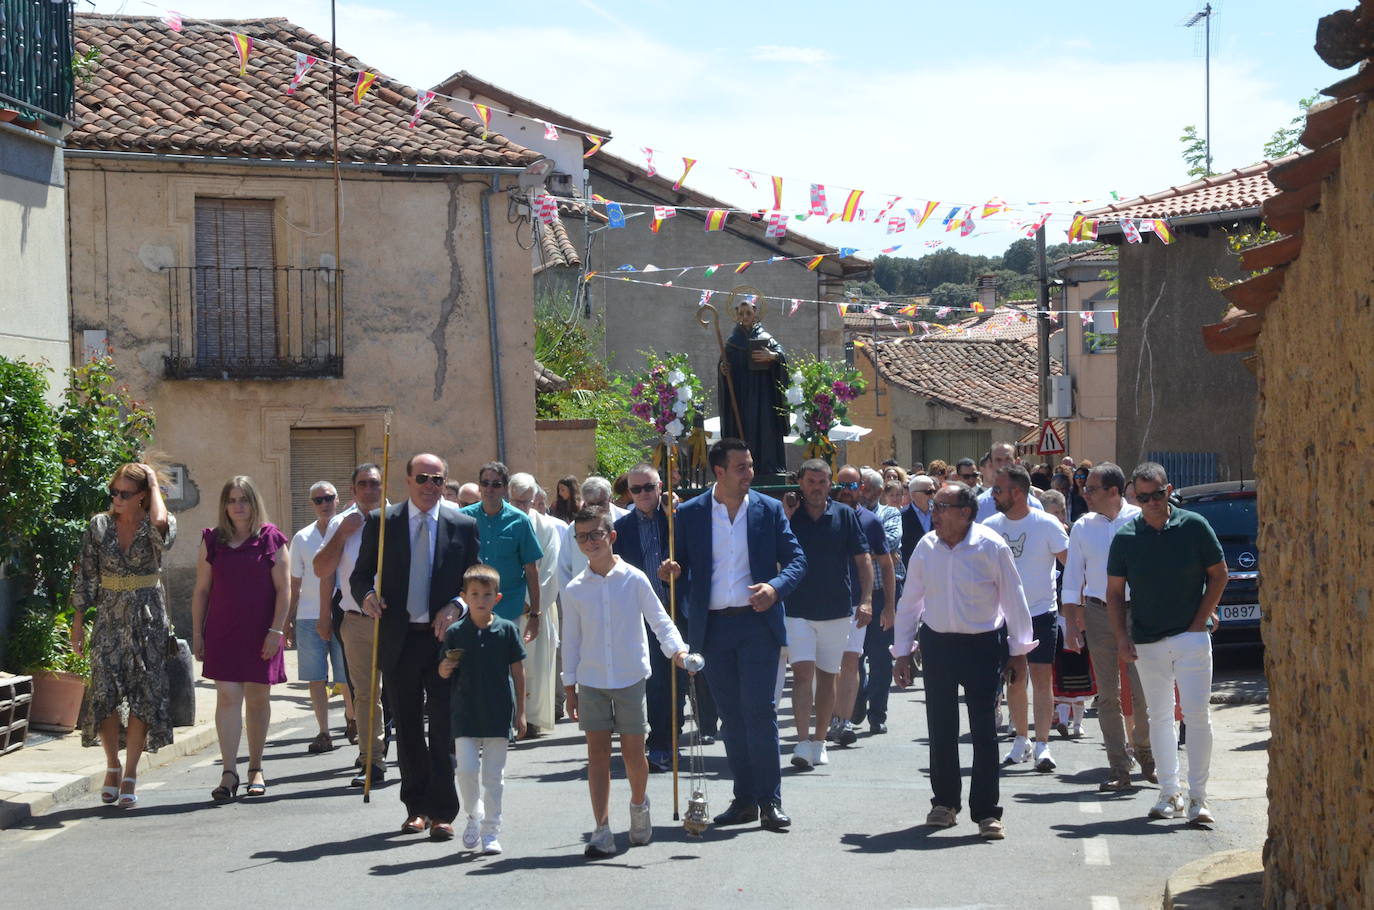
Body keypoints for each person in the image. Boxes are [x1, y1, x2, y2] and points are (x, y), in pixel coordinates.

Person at [659, 438, 806, 831]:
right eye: (741, 467)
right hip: (713, 628)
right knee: (730, 718)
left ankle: (770, 801)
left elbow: (796, 560)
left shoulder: (768, 509)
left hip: (758, 624)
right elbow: (680, 567)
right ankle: (743, 799)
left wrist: (775, 587)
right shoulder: (689, 514)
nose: (750, 474)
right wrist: (670, 572)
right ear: (719, 471)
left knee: (760, 711)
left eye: (751, 465)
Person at [892, 481, 1035, 840]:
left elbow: (1014, 599)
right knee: (941, 728)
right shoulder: (926, 547)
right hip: (938, 645)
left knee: (984, 730)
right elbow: (910, 602)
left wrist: (1019, 652)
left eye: (941, 506)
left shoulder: (991, 545)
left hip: (983, 646)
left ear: (965, 513)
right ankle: (944, 804)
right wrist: (902, 652)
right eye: (933, 506)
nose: (934, 513)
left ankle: (987, 812)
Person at [351, 453, 479, 841]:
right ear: (407, 480)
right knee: (406, 727)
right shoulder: (381, 522)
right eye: (423, 478)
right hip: (399, 638)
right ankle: (416, 808)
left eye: (437, 479)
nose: (430, 485)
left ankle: (443, 811)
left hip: (443, 640)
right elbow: (359, 576)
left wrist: (457, 606)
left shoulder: (463, 524)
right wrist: (367, 596)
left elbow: (474, 578)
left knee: (442, 727)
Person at [563, 508, 688, 857]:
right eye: (582, 537)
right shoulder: (574, 589)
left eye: (596, 535)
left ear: (611, 536)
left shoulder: (634, 579)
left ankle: (638, 806)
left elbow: (660, 621)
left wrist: (677, 652)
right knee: (597, 754)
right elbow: (571, 641)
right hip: (592, 680)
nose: (590, 543)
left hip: (631, 676)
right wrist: (569, 686)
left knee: (634, 753)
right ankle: (601, 827)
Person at [1108, 462, 1228, 824]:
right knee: (1159, 718)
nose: (1151, 503)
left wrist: (1198, 622)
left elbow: (1219, 574)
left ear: (1168, 489)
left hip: (1191, 638)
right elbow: (1114, 592)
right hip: (1147, 640)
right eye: (1142, 498)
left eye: (1157, 495)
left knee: (1197, 716)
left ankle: (1198, 798)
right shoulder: (1126, 536)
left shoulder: (1193, 525)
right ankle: (1168, 794)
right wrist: (1121, 637)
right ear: (1135, 497)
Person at [72, 462, 176, 809]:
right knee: (105, 693)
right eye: (113, 491)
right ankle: (112, 765)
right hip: (109, 618)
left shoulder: (155, 522)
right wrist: (76, 622)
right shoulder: (99, 526)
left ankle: (131, 772)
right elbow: (86, 575)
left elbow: (163, 528)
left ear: (142, 496)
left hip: (148, 619)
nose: (116, 498)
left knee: (144, 693)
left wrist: (154, 484)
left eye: (125, 493)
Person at [192, 476, 290, 802]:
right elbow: (202, 590)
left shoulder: (271, 539)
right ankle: (229, 772)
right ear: (224, 505)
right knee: (228, 697)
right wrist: (197, 632)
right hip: (223, 632)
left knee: (258, 700)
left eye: (243, 499)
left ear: (253, 502)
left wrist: (277, 631)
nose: (238, 506)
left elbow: (284, 590)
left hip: (262, 632)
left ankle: (256, 767)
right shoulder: (212, 540)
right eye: (232, 500)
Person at [613, 463, 716, 773]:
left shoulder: (677, 519)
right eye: (636, 489)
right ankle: (661, 744)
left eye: (649, 487)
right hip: (645, 615)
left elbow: (702, 558)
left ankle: (701, 726)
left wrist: (677, 574)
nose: (643, 494)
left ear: (660, 487)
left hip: (679, 610)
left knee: (683, 679)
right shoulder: (623, 528)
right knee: (659, 684)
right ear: (628, 493)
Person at [1061, 462, 1154, 792]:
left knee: (1143, 692)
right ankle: (1119, 765)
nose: (1085, 494)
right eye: (1084, 488)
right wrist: (1070, 624)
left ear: (1114, 492)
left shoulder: (1141, 520)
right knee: (1108, 695)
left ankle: (1146, 754)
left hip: (1138, 614)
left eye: (1092, 489)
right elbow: (1071, 578)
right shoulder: (1083, 527)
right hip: (1099, 614)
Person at [779, 460, 871, 767]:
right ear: (801, 483)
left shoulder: (844, 515)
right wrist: (788, 515)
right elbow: (776, 554)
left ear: (830, 484)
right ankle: (802, 742)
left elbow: (863, 559)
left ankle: (820, 741)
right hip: (797, 610)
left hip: (836, 611)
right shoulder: (790, 515)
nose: (817, 487)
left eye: (822, 482)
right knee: (802, 675)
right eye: (811, 481)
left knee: (828, 677)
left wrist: (867, 599)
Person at [984, 465, 1068, 772]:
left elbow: (1069, 563)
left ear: (1017, 493)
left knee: (1042, 680)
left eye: (998, 489)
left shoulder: (1046, 524)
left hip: (1041, 612)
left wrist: (1074, 606)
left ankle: (1043, 744)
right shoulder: (990, 525)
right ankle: (1021, 739)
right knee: (1014, 679)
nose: (993, 494)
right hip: (1005, 616)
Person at [440, 564, 527, 855]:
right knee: (465, 770)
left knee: (493, 776)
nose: (480, 599)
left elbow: (518, 672)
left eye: (487, 594)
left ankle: (491, 829)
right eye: (474, 594)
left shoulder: (507, 630)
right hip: (465, 712)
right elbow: (442, 672)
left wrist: (521, 713)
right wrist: (445, 666)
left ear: (497, 598)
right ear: (464, 597)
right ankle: (473, 816)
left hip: (498, 712)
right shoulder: (455, 632)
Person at [313, 463, 387, 787]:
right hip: (357, 621)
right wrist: (342, 534)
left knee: (403, 692)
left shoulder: (397, 520)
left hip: (398, 623)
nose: (370, 490)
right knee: (366, 694)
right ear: (353, 489)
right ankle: (372, 760)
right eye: (363, 484)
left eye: (375, 484)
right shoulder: (341, 523)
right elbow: (321, 569)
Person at [288, 481, 353, 755]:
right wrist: (287, 620)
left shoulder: (349, 532)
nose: (324, 504)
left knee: (346, 676)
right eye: (318, 500)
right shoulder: (302, 538)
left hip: (344, 614)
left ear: (337, 500)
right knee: (316, 679)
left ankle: (353, 720)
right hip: (308, 617)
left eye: (328, 498)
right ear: (312, 505)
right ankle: (324, 732)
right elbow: (294, 583)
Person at [833, 467, 896, 741]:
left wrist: (890, 606)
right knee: (840, 663)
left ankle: (866, 717)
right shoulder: (825, 517)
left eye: (853, 486)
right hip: (831, 603)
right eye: (843, 484)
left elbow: (887, 563)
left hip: (868, 600)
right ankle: (843, 713)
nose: (848, 490)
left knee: (869, 660)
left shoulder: (871, 521)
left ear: (863, 489)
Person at [461, 462, 542, 646]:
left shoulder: (520, 521)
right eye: (485, 483)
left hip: (508, 608)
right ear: (479, 486)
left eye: (496, 484)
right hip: (470, 608)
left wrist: (535, 614)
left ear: (505, 488)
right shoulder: (463, 519)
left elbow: (531, 569)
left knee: (504, 668)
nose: (490, 489)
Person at [508, 472, 560, 736]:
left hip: (535, 610)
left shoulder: (547, 527)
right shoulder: (501, 524)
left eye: (526, 502)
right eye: (516, 502)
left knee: (536, 667)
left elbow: (550, 570)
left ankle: (534, 720)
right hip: (504, 608)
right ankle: (508, 718)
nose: (521, 508)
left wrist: (530, 604)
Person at [718, 297, 790, 474]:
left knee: (765, 429)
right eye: (741, 313)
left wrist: (772, 357)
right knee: (740, 427)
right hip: (741, 396)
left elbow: (782, 358)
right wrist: (723, 369)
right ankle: (742, 467)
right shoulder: (732, 342)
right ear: (736, 315)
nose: (745, 316)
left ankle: (767, 467)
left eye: (748, 313)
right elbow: (723, 367)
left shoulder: (767, 339)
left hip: (764, 395)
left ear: (755, 313)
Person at [558, 476, 627, 588]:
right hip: (585, 595)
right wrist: (569, 601)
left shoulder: (626, 520)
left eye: (601, 503)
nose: (596, 509)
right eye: (591, 505)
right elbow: (564, 569)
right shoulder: (573, 529)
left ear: (610, 498)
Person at [976, 442, 1044, 522]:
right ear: (991, 464)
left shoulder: (1034, 504)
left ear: (1017, 461)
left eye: (1008, 459)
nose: (1003, 464)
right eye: (998, 460)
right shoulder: (980, 505)